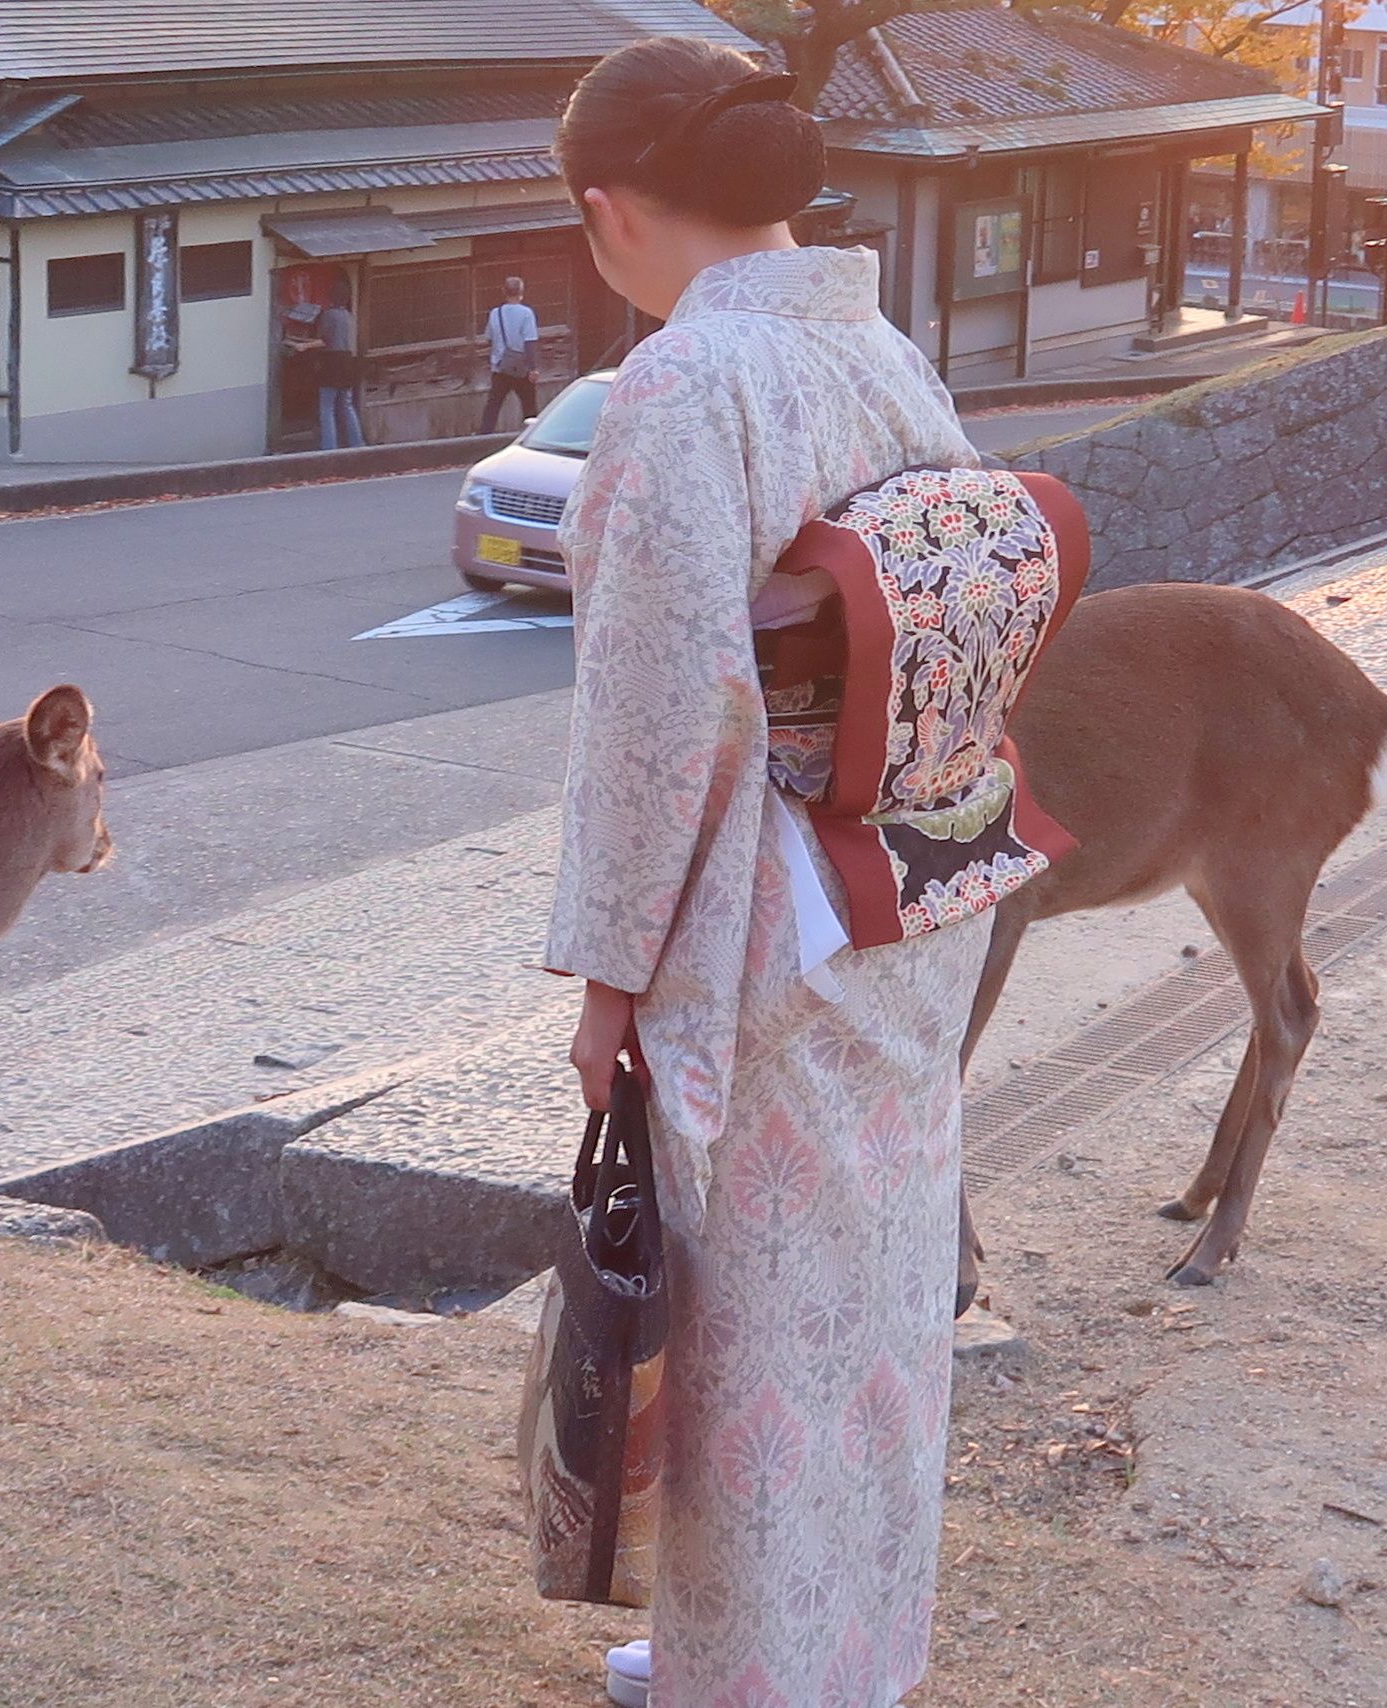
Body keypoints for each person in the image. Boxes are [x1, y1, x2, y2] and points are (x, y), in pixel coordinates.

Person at [545, 35, 1033, 1708]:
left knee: (751, 1312)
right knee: (873, 1301)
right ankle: (838, 1649)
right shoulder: (874, 342)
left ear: (609, 212)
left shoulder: (686, 382)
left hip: (771, 916)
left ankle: (752, 1676)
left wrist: (610, 975)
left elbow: (658, 709)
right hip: (910, 868)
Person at [480, 276, 540, 433]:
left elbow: (488, 338)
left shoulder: (495, 313)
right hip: (521, 367)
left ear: (503, 292)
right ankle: (530, 435)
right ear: (521, 292)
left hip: (500, 366)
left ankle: (484, 436)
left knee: (493, 405)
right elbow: (530, 342)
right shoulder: (526, 313)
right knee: (529, 406)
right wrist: (533, 368)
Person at [313, 277, 366, 450]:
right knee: (347, 405)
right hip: (348, 361)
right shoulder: (349, 316)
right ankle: (357, 443)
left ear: (330, 297)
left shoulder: (328, 315)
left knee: (326, 407)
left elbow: (323, 340)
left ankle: (329, 448)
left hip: (331, 362)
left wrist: (302, 344)